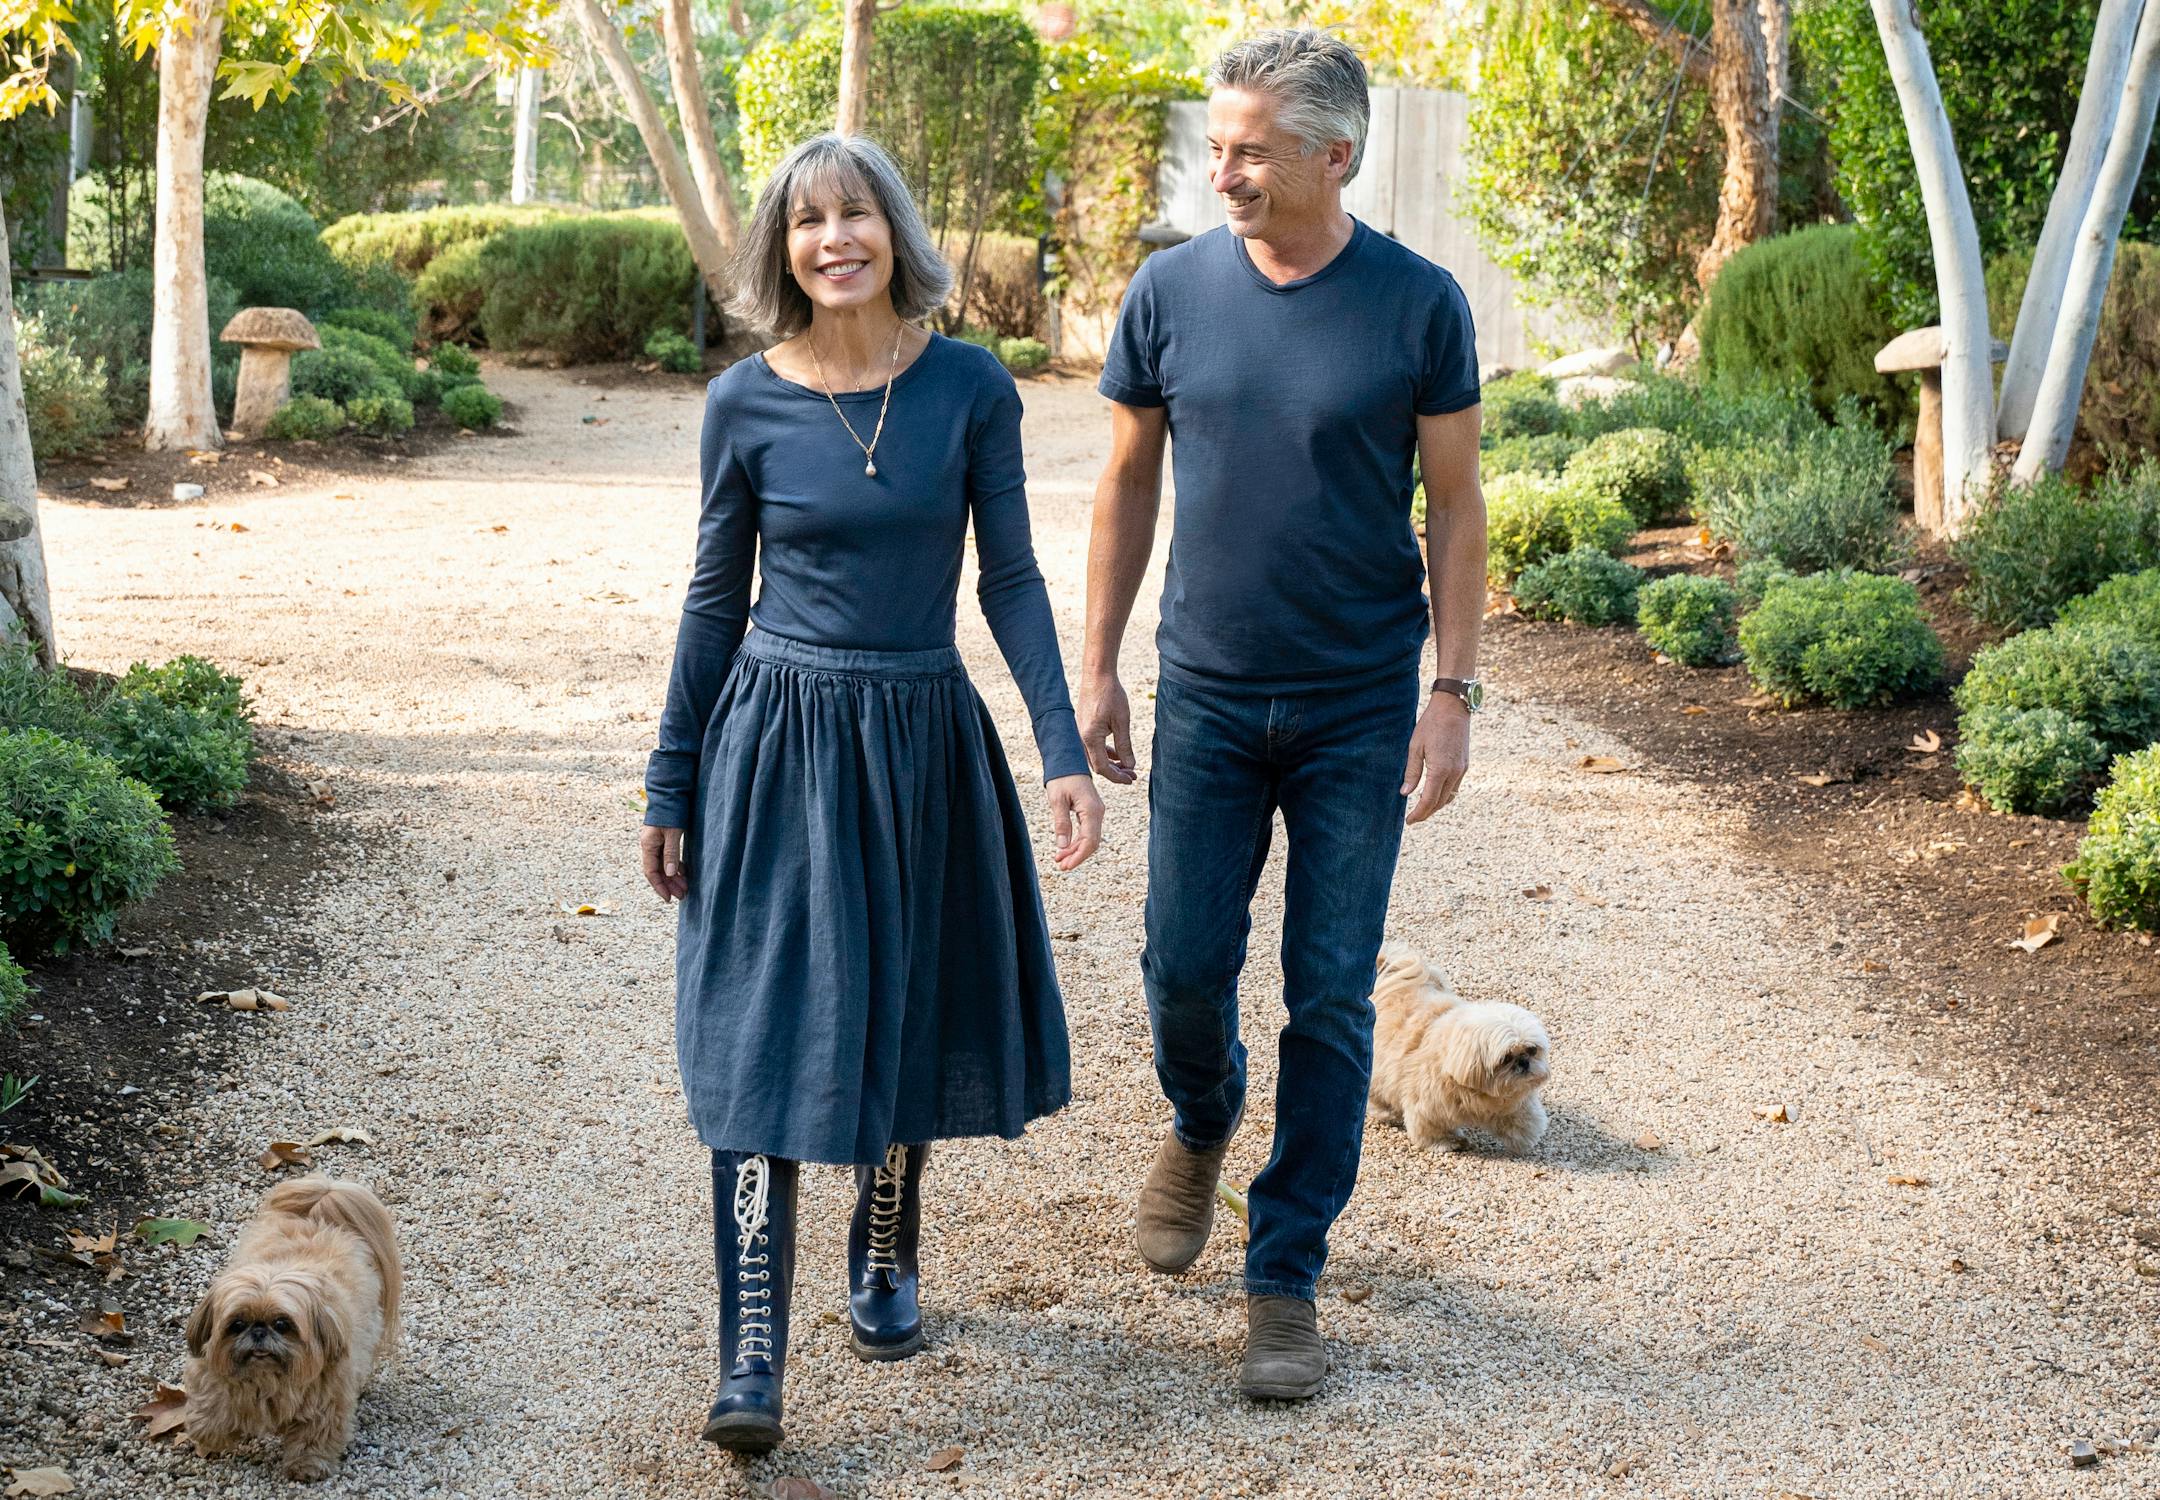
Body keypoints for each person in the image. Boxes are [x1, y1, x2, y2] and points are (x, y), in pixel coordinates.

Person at [638, 131, 1104, 1454]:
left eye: (856, 216)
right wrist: (670, 779)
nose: (834, 239)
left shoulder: (967, 389)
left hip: (921, 735)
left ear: (896, 232)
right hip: (779, 744)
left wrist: (1061, 752)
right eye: (806, 222)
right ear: (781, 250)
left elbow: (1008, 581)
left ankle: (887, 1245)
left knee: (908, 1001)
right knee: (758, 1039)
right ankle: (748, 1347)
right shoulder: (744, 404)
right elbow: (712, 599)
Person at [1079, 29, 1487, 1400]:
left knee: (1329, 993)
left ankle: (1284, 1271)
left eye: (1251, 148)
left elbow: (1456, 507)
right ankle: (1201, 1118)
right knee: (1183, 968)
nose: (1225, 168)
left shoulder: (1419, 306)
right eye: (1221, 144)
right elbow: (1127, 487)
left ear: (1337, 154)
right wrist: (1100, 665)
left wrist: (1452, 691)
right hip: (1204, 689)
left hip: (1359, 704)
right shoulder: (1170, 291)